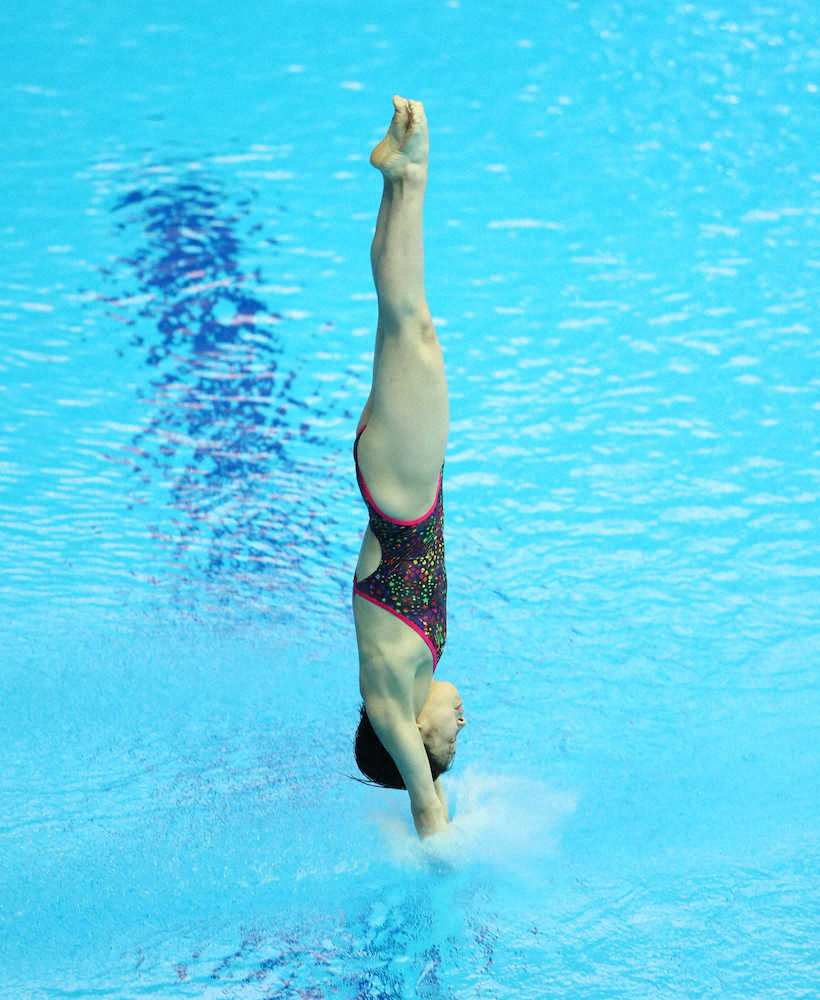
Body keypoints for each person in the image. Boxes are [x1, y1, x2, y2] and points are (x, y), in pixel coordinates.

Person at [352, 95, 466, 838]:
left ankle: (411, 176)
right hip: (405, 489)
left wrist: (431, 810)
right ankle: (397, 178)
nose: (461, 723)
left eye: (452, 740)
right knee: (407, 327)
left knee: (411, 325)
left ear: (420, 745)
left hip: (399, 495)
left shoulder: (392, 699)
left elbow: (427, 811)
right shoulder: (412, 678)